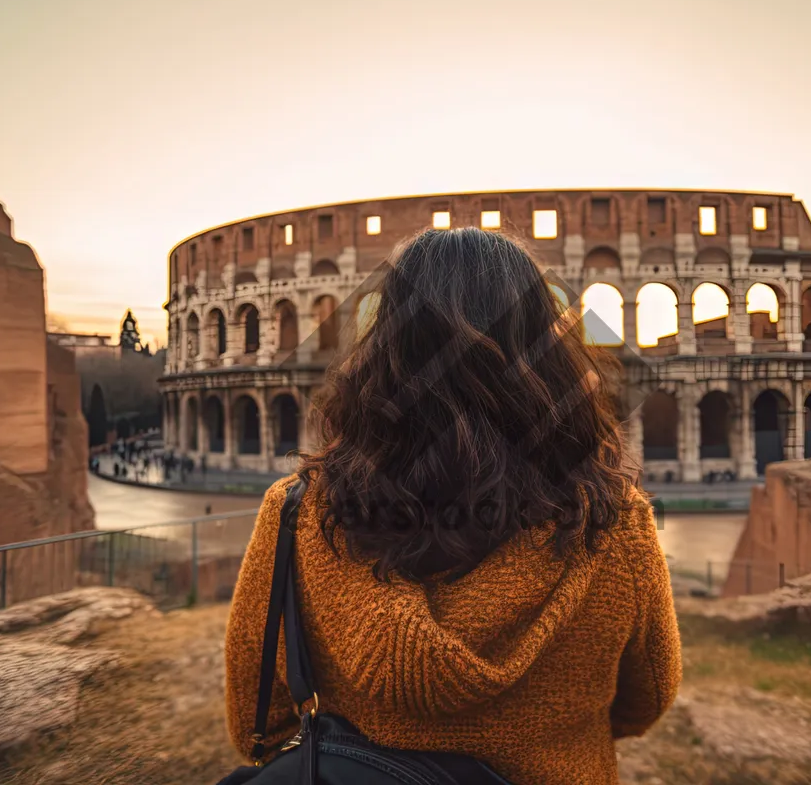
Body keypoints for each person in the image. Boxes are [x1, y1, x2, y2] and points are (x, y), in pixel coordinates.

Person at [224, 228, 681, 784]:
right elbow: (647, 697)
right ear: (547, 343)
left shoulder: (296, 513)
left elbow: (255, 721)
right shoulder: (613, 521)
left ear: (385, 343)